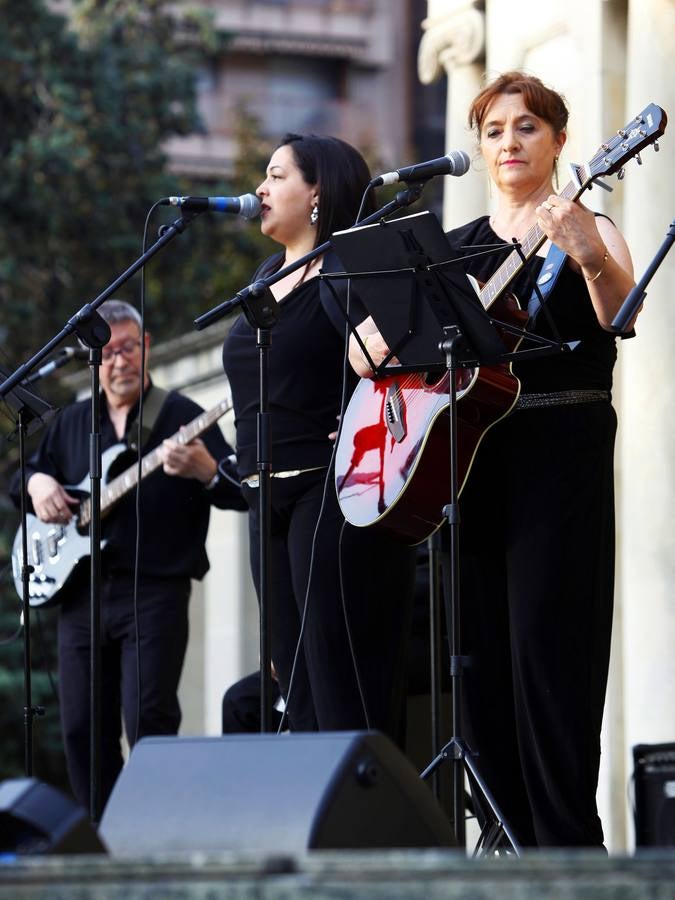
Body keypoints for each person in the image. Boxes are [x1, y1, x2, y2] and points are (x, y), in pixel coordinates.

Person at [348, 72, 635, 848]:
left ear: (559, 141)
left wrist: (587, 258)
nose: (509, 142)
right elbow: (365, 352)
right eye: (495, 130)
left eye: (526, 127)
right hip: (470, 468)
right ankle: (508, 844)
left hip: (559, 461)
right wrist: (372, 343)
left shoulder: (591, 227)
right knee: (475, 668)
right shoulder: (453, 250)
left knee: (551, 660)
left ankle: (568, 854)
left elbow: (618, 314)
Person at [10, 299, 246, 811]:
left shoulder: (181, 415)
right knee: (80, 727)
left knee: (150, 721)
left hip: (156, 590)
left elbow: (241, 491)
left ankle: (149, 832)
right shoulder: (71, 422)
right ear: (95, 362)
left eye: (129, 349)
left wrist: (206, 469)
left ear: (147, 349)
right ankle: (101, 834)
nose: (120, 361)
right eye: (109, 352)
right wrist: (37, 482)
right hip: (82, 597)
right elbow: (18, 481)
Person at [222, 134, 417, 740]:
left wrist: (366, 399)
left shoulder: (347, 274)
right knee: (289, 671)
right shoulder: (260, 281)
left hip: (326, 490)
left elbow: (403, 368)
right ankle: (313, 822)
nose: (260, 188)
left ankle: (356, 822)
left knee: (333, 669)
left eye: (277, 175)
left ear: (318, 193)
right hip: (261, 493)